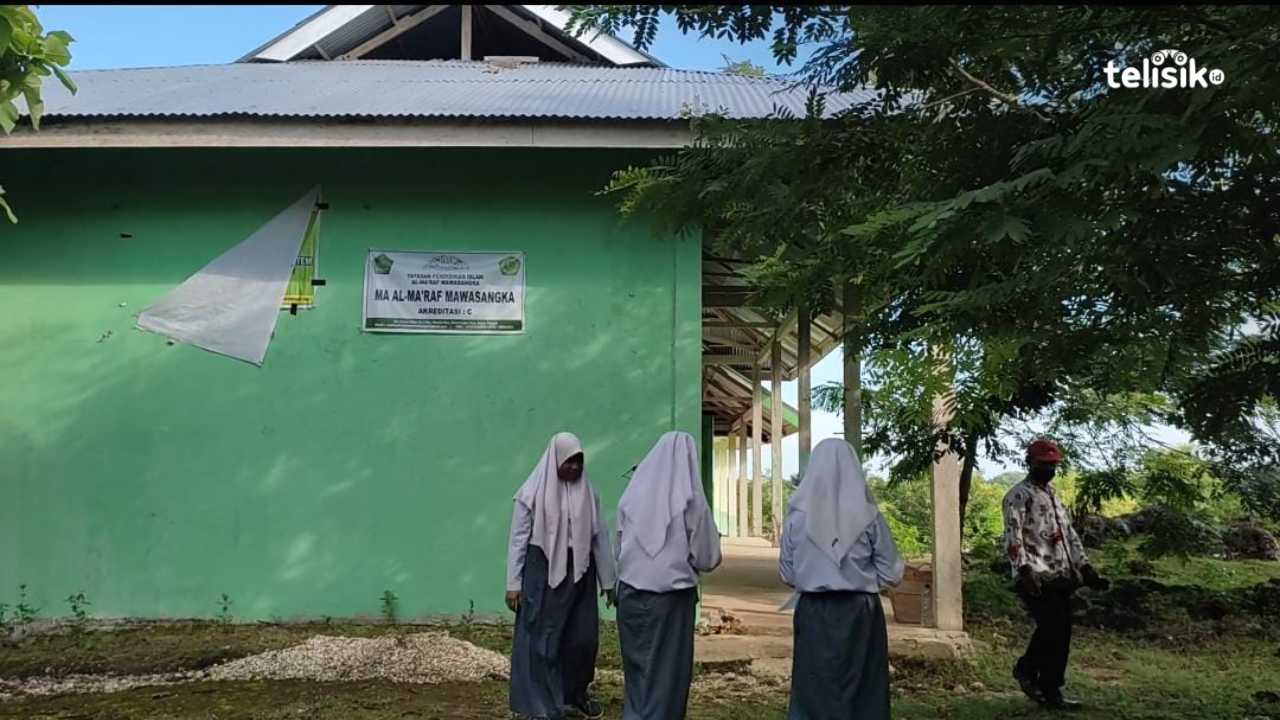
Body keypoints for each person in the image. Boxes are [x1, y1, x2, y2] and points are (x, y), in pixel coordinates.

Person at [779, 438, 904, 720]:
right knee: (863, 688)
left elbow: (788, 573)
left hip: (813, 610)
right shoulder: (868, 515)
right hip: (860, 611)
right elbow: (892, 573)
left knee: (813, 684)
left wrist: (817, 574)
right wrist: (858, 576)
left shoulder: (796, 518)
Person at [506, 432, 616, 720]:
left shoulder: (588, 493)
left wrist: (608, 580)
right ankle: (541, 704)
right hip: (541, 573)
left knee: (582, 639)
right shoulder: (530, 494)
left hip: (580, 573)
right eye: (569, 462)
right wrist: (513, 583)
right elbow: (518, 540)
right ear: (554, 460)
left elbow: (599, 536)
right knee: (543, 641)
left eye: (579, 462)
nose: (574, 468)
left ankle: (573, 696)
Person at [614, 431, 723, 720]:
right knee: (667, 675)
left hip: (629, 594)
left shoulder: (631, 497)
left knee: (637, 672)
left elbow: (619, 546)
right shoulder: (690, 501)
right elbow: (708, 557)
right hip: (670, 601)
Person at [1002, 438, 1109, 711]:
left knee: (1061, 634)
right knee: (1053, 627)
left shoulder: (1054, 497)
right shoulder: (1017, 496)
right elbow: (1013, 537)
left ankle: (1051, 689)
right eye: (1044, 464)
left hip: (1061, 574)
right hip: (1034, 575)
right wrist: (1024, 571)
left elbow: (1069, 536)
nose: (1050, 469)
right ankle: (1027, 670)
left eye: (1053, 465)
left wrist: (1086, 568)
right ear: (1031, 463)